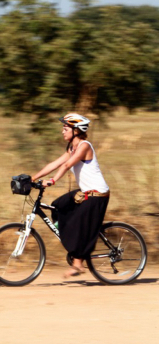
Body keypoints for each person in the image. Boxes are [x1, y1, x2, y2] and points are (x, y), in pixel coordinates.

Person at [30, 113, 110, 278]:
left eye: (65, 128)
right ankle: (70, 238)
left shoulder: (84, 146)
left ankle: (78, 263)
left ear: (76, 130)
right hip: (85, 193)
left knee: (77, 224)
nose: (62, 131)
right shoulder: (72, 148)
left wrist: (52, 181)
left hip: (97, 195)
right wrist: (33, 178)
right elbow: (55, 163)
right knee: (57, 205)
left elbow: (67, 165)